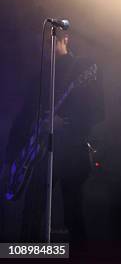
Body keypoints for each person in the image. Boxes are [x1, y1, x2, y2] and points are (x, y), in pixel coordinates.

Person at [6, 29, 105, 244]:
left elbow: (98, 111)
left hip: (71, 152)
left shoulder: (82, 67)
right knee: (31, 211)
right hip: (40, 151)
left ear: (65, 40)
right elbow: (24, 116)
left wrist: (65, 122)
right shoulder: (41, 74)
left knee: (73, 214)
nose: (44, 49)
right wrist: (12, 157)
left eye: (51, 43)